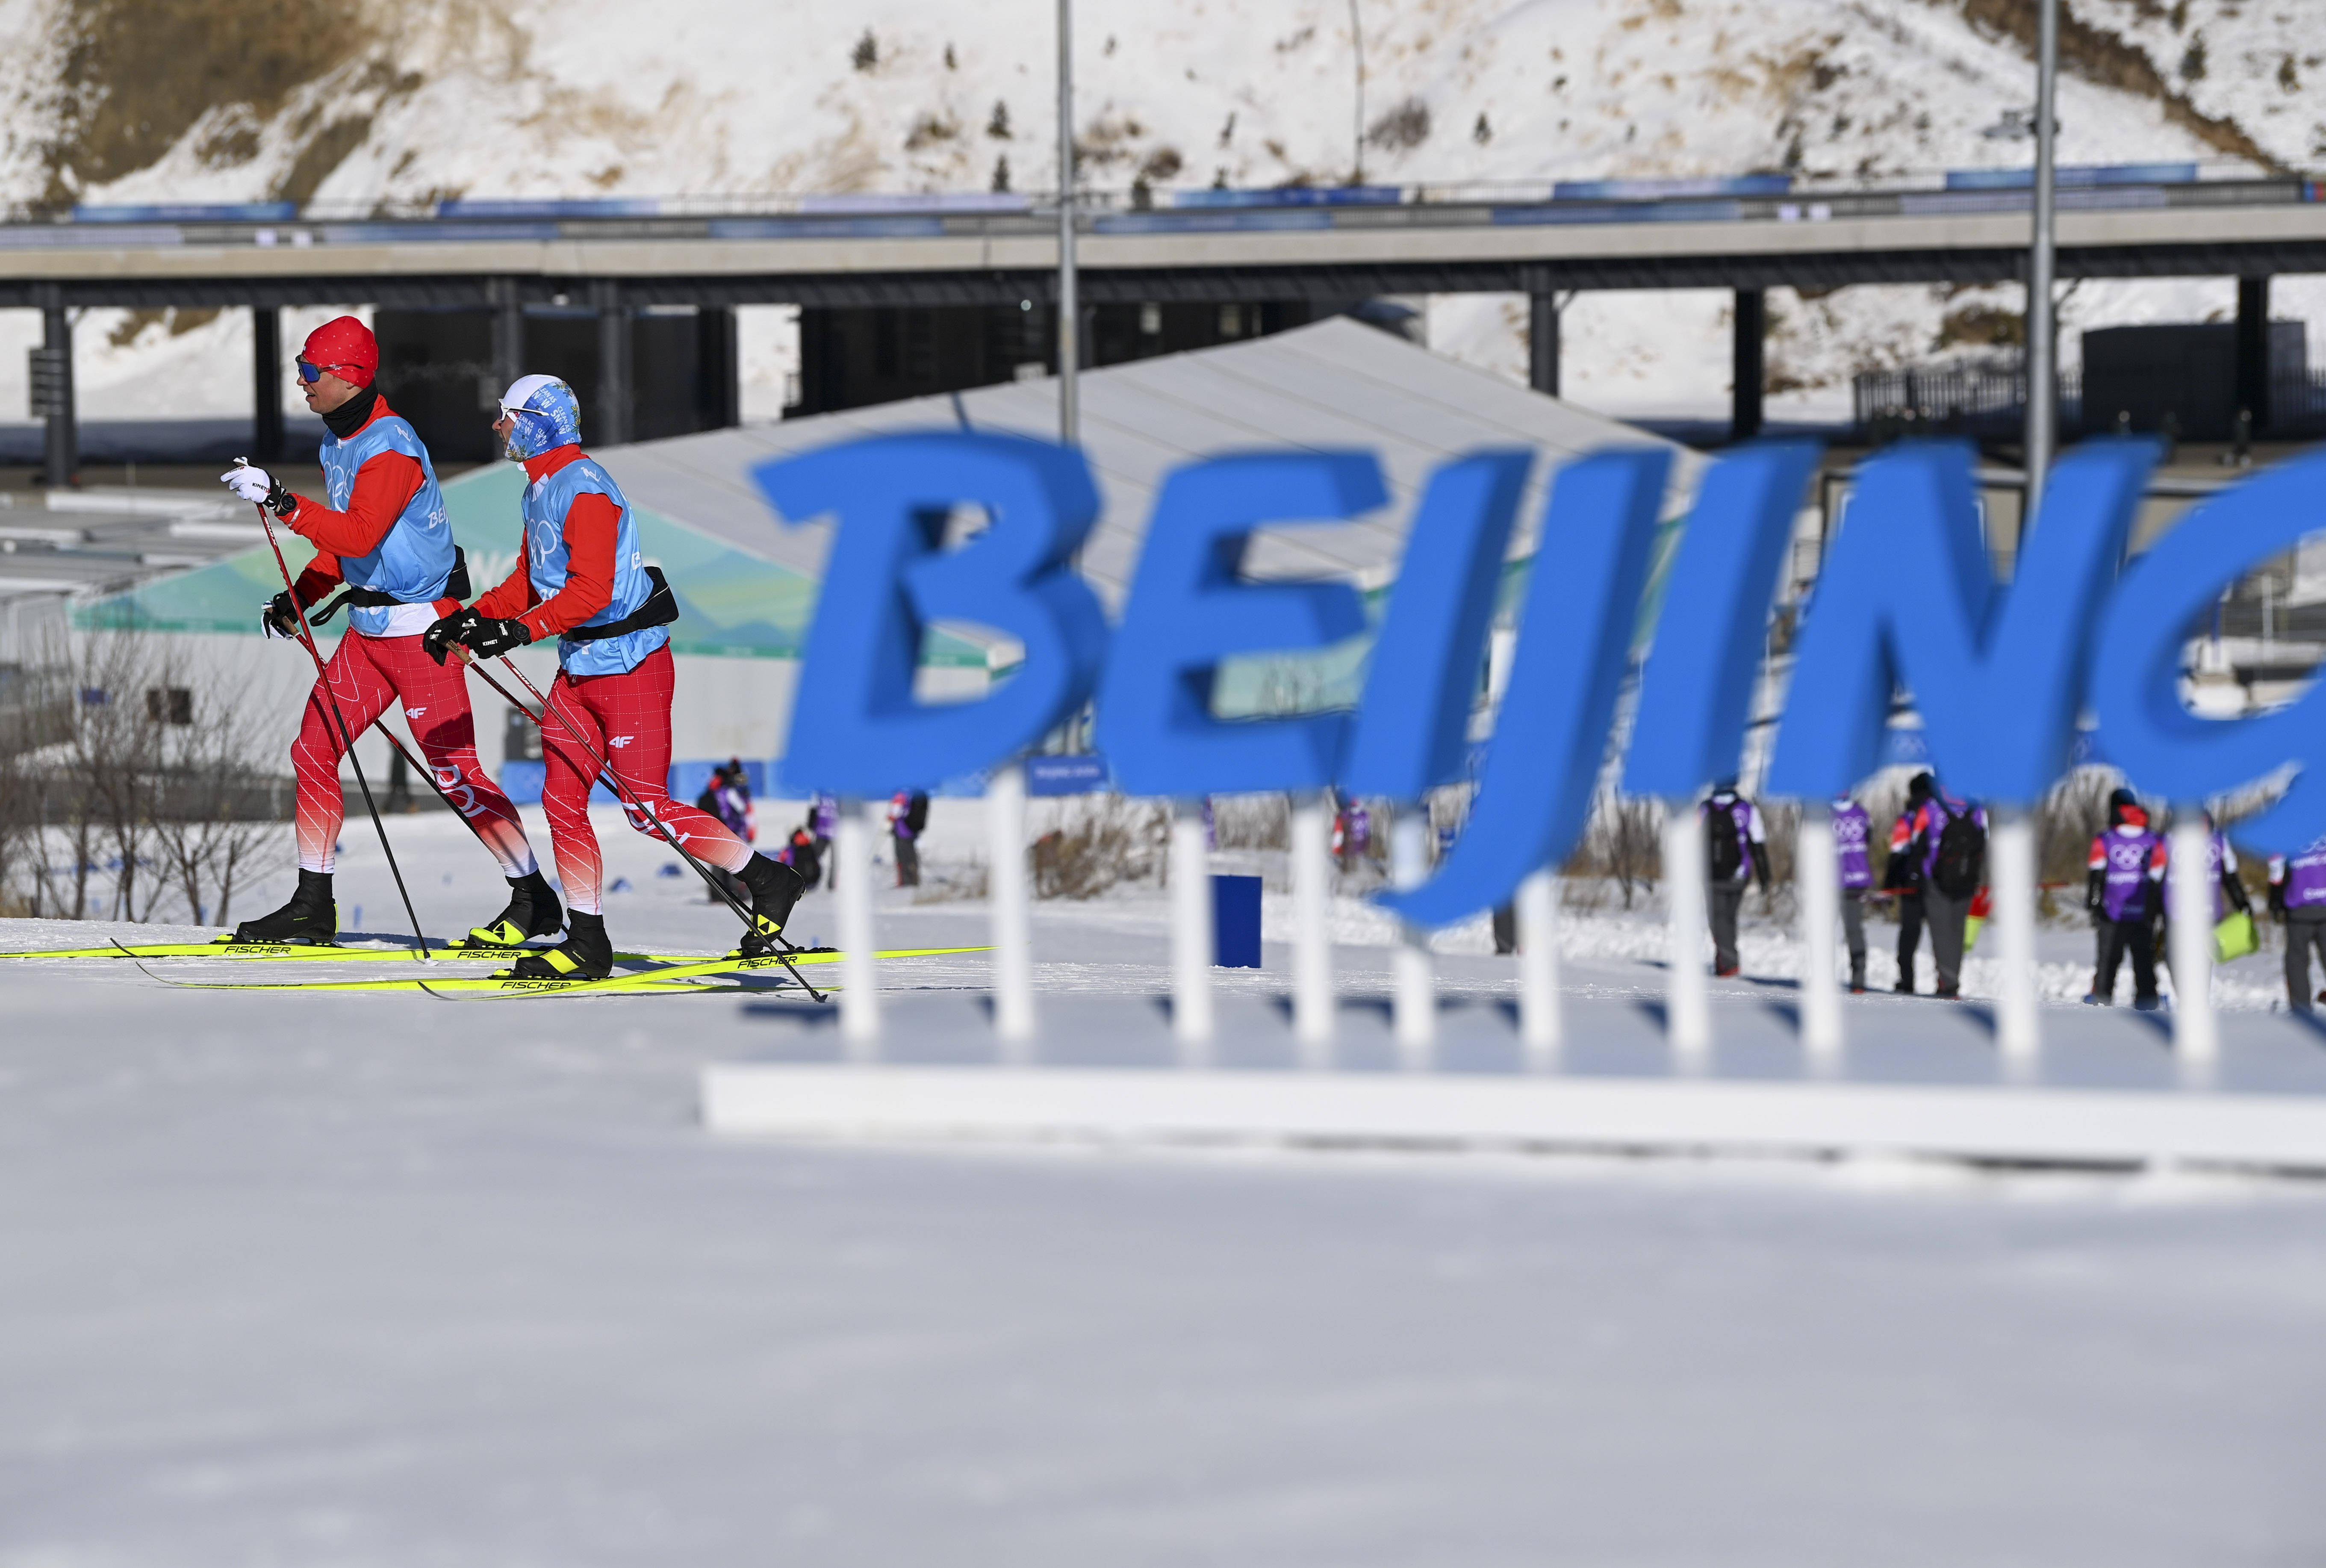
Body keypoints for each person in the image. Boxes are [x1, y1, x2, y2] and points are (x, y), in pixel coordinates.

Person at [424, 374, 805, 979]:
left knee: (645, 809)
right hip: (579, 668)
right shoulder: (539, 488)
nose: (498, 426)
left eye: (509, 416)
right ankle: (587, 940)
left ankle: (768, 878)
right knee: (561, 800)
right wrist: (472, 619)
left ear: (541, 424)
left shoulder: (584, 488)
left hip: (630, 667)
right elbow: (530, 580)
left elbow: (592, 592)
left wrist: (517, 632)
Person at [219, 315, 551, 948]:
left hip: (422, 631)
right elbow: (346, 549)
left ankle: (534, 896)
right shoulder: (337, 441)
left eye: (311, 371)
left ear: (348, 377)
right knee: (312, 751)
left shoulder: (391, 445)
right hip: (368, 631)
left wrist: (281, 501)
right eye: (300, 368)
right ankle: (312, 904)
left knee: (454, 773)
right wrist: (302, 596)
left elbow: (360, 533)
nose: (301, 382)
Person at [1894, 777, 1986, 999]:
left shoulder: (1930, 807)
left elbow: (1918, 843)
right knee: (1957, 930)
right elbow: (1984, 841)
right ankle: (1952, 978)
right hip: (1967, 878)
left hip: (1935, 878)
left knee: (1941, 931)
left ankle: (1948, 982)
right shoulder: (1976, 807)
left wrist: (1913, 875)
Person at [2082, 790, 2165, 1008]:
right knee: (2144, 961)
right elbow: (2160, 878)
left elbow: (2096, 875)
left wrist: (2093, 905)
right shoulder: (2155, 839)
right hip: (2144, 912)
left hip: (2112, 912)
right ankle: (2148, 1002)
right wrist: (2157, 909)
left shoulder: (2105, 839)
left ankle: (2101, 1000)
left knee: (2108, 961)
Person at [1701, 780, 1771, 979]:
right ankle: (1727, 961)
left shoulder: (1705, 808)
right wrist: (1765, 876)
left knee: (1717, 919)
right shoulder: (1748, 809)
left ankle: (1728, 962)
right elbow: (1758, 843)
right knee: (1729, 918)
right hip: (1740, 873)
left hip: (1712, 873)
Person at [1883, 771, 1934, 992]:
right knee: (1943, 934)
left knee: (1909, 934)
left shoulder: (1909, 817)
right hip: (1939, 882)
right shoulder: (1940, 812)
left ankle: (1907, 980)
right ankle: (1946, 981)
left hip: (1911, 884)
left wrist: (1889, 885)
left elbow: (1898, 851)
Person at [2267, 835, 2326, 1012]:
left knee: (2297, 961)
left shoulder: (2289, 834)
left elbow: (2276, 872)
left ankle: (2302, 1010)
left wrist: (2275, 902)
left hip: (2299, 909)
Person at [1832, 794, 1873, 992]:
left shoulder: (1825, 813)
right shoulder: (1861, 812)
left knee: (1823, 931)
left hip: (1831, 881)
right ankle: (1859, 980)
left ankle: (1823, 977)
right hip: (1857, 878)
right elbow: (1870, 839)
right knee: (1855, 930)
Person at [888, 788, 929, 887]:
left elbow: (895, 813)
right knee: (910, 857)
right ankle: (912, 880)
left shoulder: (901, 796)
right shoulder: (911, 795)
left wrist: (890, 820)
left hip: (902, 831)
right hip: (910, 831)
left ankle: (907, 881)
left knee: (904, 858)